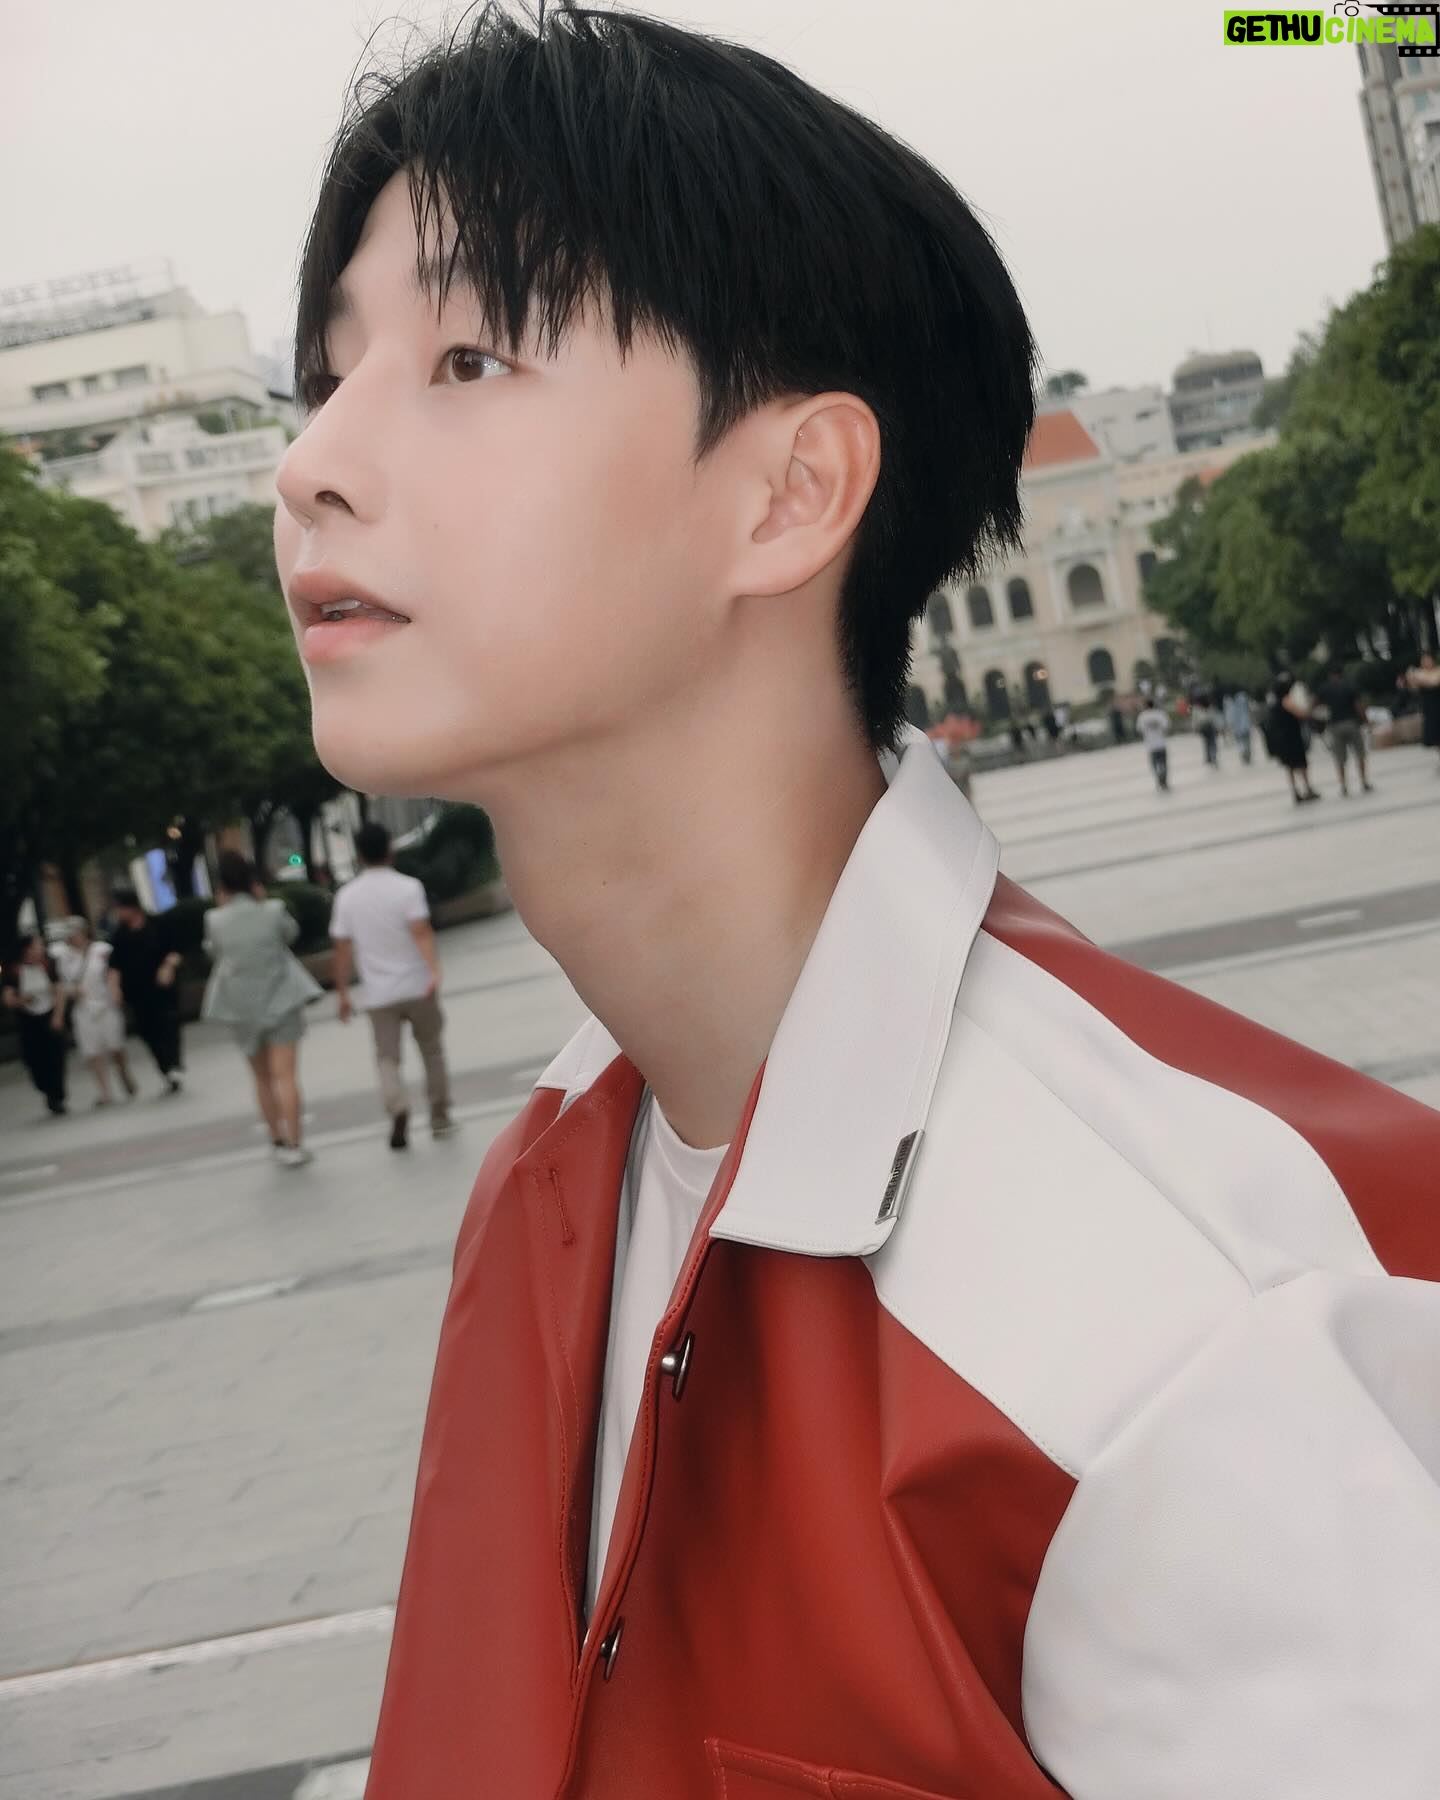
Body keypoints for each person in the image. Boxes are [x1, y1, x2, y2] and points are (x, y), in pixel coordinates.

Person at [274, 11, 1440, 1797]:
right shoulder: (547, 1194)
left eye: (469, 359)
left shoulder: (1184, 1338)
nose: (312, 466)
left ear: (790, 494)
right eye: (328, 375)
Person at [329, 822, 452, 1149]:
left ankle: (397, 1106)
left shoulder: (346, 896)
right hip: (418, 984)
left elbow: (341, 948)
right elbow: (421, 931)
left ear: (359, 855)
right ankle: (439, 1116)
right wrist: (434, 970)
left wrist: (342, 993)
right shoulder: (408, 887)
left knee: (387, 1058)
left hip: (378, 993)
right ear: (390, 849)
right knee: (432, 1050)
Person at [201, 850, 322, 1167]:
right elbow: (290, 934)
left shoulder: (214, 919)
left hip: (240, 1006)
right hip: (281, 998)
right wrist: (262, 900)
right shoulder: (273, 910)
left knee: (261, 1078)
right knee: (286, 1076)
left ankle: (277, 1140)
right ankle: (296, 1143)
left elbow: (213, 951)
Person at [107, 887, 185, 1094]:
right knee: (148, 1032)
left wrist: (168, 967)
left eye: (120, 908)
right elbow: (114, 966)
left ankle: (174, 1063)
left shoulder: (158, 924)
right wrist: (114, 989)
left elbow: (175, 950)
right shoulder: (120, 935)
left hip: (162, 988)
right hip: (137, 993)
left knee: (169, 1025)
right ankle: (165, 1068)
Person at [55, 918, 136, 1107]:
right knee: (92, 1051)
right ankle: (104, 1091)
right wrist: (71, 992)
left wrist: (116, 989)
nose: (72, 937)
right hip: (83, 1008)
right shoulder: (64, 957)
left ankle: (123, 1073)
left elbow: (115, 971)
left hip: (106, 1003)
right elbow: (62, 984)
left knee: (116, 1046)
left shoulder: (102, 950)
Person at [2, 933, 68, 1116]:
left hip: (49, 1015)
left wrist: (58, 1015)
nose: (40, 949)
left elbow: (59, 990)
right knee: (34, 1058)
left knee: (56, 1057)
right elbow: (8, 999)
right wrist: (22, 1000)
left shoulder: (48, 965)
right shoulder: (14, 970)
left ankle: (57, 1095)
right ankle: (44, 1087)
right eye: (37, 946)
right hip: (29, 1020)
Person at [1315, 663, 1373, 797]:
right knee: (1360, 754)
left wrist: (1319, 718)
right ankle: (1364, 781)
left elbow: (1315, 704)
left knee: (1339, 758)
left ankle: (1344, 785)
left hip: (1334, 726)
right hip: (1351, 723)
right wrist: (1366, 720)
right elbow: (1358, 705)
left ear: (1330, 675)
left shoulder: (1324, 688)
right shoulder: (1349, 686)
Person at [1262, 675, 1320, 805]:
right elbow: (1300, 714)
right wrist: (1310, 711)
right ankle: (1307, 788)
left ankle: (1295, 791)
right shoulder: (1286, 701)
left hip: (1282, 739)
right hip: (1292, 737)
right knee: (1301, 764)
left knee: (1290, 767)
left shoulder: (1274, 704)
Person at [1402, 650, 1440, 774]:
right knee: (1436, 736)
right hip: (1430, 709)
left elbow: (1434, 682)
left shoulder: (1437, 671)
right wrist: (1411, 677)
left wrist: (1419, 678)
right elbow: (1413, 688)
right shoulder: (1421, 674)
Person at [1136, 696, 1171, 791]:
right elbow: (1166, 726)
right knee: (1164, 763)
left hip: (1151, 745)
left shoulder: (1142, 716)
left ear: (1145, 706)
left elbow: (1139, 729)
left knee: (1155, 764)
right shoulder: (1160, 714)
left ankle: (1159, 778)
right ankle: (1164, 780)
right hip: (1161, 744)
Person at [1223, 686, 1254, 764]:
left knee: (1240, 740)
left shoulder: (1228, 700)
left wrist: (1228, 724)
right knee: (1246, 740)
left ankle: (1243, 752)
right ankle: (1246, 752)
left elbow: (1228, 713)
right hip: (1244, 722)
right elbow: (1249, 708)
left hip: (1237, 724)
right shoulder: (1242, 697)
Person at [1193, 691, 1220, 768]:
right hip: (1210, 726)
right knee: (1212, 742)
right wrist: (1217, 727)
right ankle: (1213, 755)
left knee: (1207, 742)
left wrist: (1195, 728)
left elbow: (1195, 719)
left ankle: (1210, 757)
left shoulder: (1197, 707)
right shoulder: (1209, 706)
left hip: (1204, 727)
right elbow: (1214, 717)